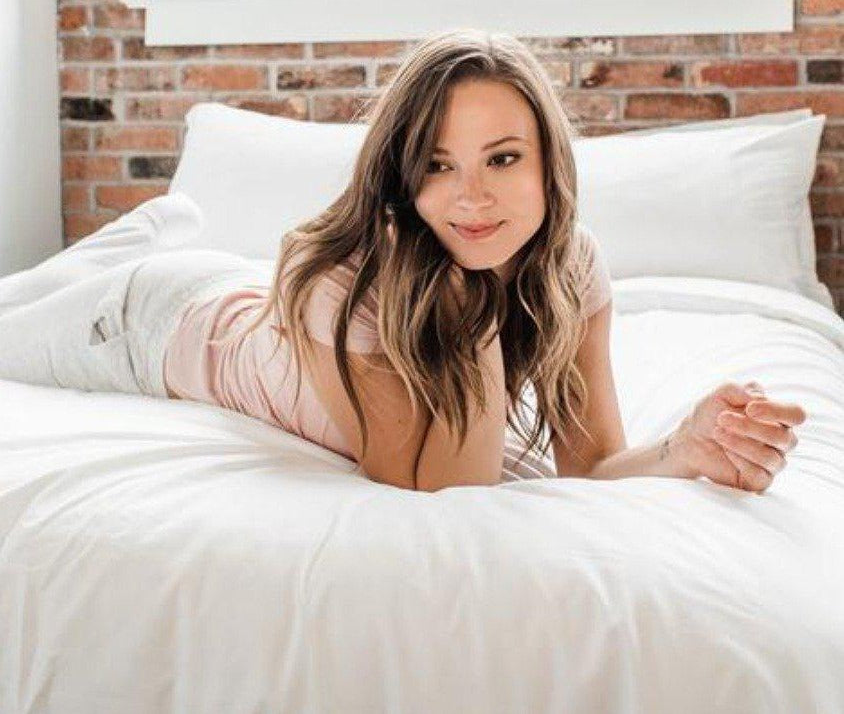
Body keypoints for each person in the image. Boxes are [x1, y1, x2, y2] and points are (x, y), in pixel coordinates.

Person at [0, 28, 805, 493]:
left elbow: (589, 459)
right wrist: (481, 318)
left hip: (231, 300)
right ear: (401, 176)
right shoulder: (346, 282)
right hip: (146, 324)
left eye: (502, 160)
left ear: (549, 163)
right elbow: (437, 492)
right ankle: (136, 243)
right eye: (437, 165)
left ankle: (153, 227)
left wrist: (682, 448)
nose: (472, 200)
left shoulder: (570, 265)